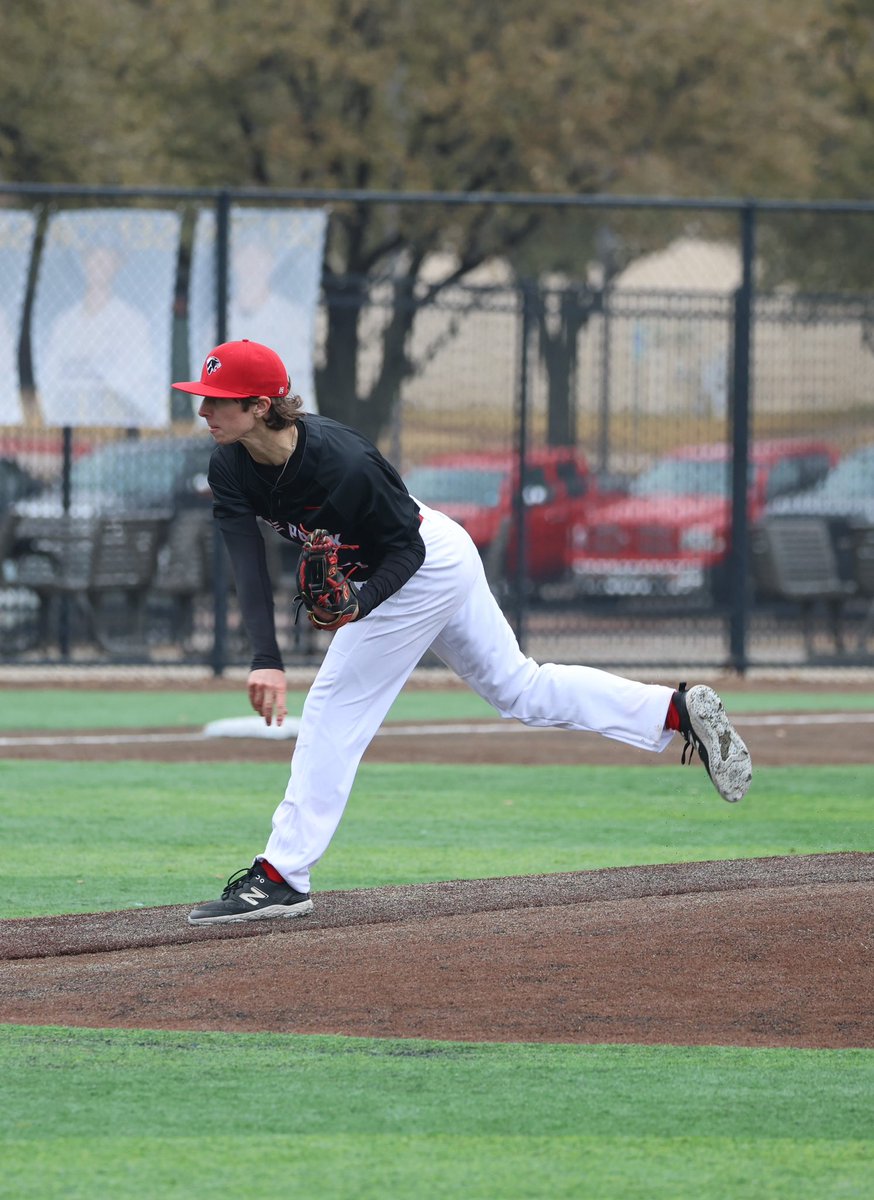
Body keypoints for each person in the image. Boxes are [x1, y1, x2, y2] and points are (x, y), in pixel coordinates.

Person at [173, 339, 752, 926]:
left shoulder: (342, 462)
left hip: (421, 561)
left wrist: (359, 605)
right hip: (420, 556)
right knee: (520, 690)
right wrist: (265, 656)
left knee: (334, 706)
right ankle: (675, 712)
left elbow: (407, 549)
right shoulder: (230, 464)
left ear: (263, 405)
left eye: (219, 401)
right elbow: (244, 558)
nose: (204, 411)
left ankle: (280, 876)